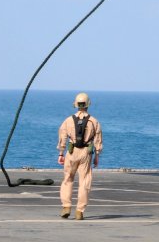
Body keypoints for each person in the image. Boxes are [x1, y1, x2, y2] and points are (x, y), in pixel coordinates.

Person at [57, 92, 103, 221]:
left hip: (71, 152)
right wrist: (97, 156)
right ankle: (79, 211)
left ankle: (66, 206)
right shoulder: (94, 122)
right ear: (88, 104)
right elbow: (98, 140)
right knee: (85, 181)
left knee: (67, 179)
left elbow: (62, 137)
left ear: (76, 105)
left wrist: (61, 153)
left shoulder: (68, 120)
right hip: (86, 153)